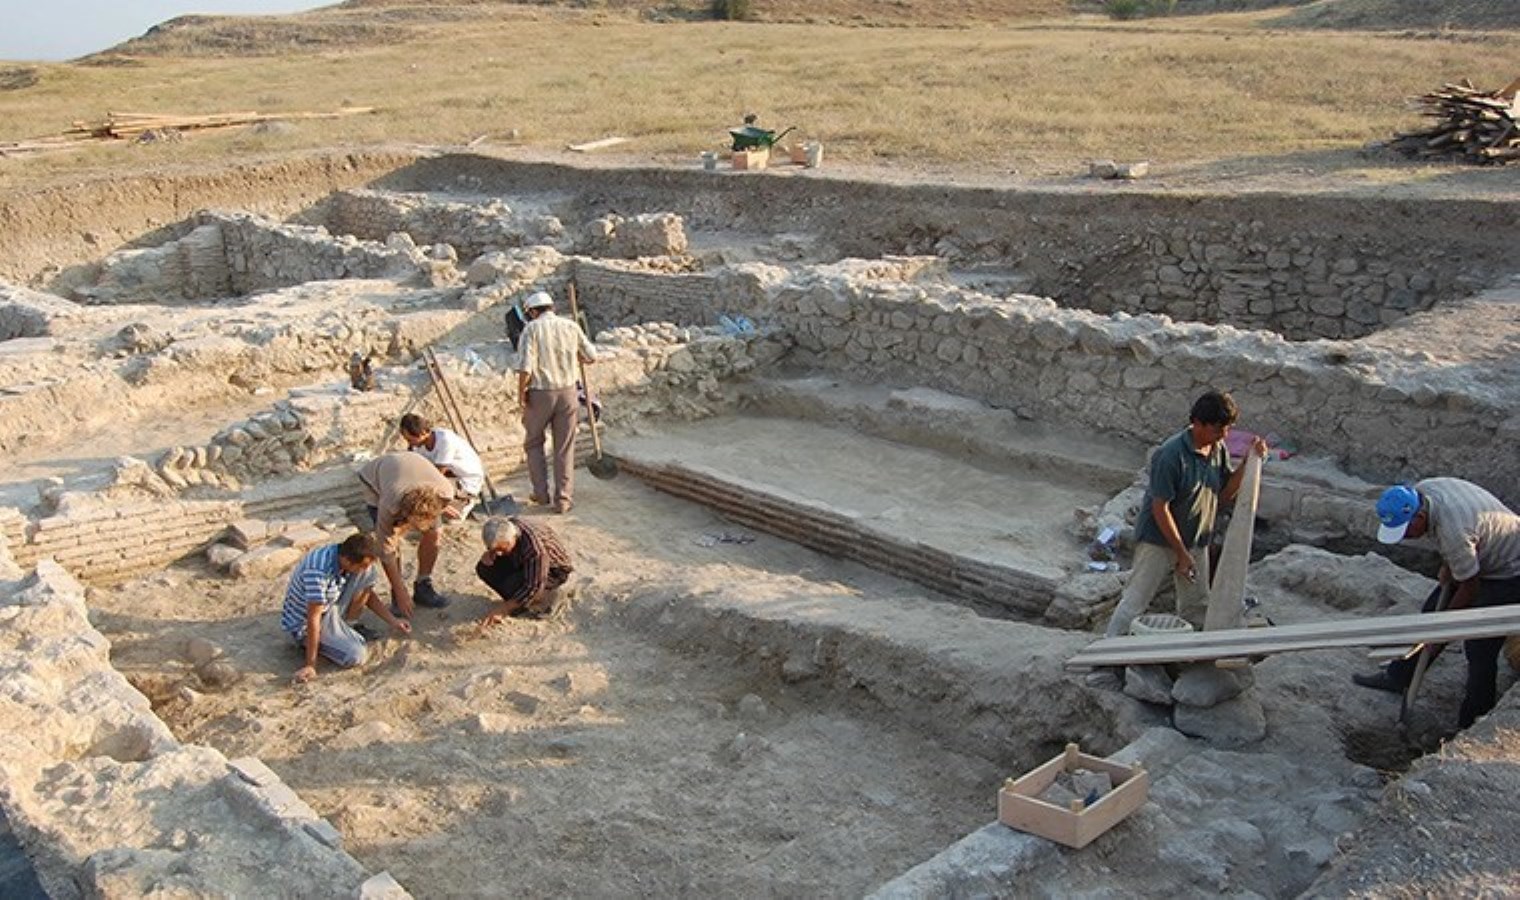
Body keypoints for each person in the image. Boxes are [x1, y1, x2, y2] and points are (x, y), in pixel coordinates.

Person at [1351, 479, 1520, 728]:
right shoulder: (1425, 491)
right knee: (1430, 613)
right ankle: (1400, 677)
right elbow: (1462, 542)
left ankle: (1474, 719)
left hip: (1511, 570)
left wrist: (1441, 630)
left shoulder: (1454, 531)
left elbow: (1470, 588)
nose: (1406, 537)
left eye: (1406, 530)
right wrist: (1449, 565)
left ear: (1419, 516)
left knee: (1480, 645)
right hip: (1483, 549)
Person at [1103, 390, 1270, 639]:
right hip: (1159, 539)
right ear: (1197, 423)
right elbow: (1161, 508)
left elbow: (1222, 495)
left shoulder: (1217, 449)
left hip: (1197, 537)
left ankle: (1191, 654)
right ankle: (1108, 650)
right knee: (1136, 599)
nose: (1223, 435)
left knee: (1196, 604)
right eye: (1217, 429)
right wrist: (1180, 553)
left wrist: (1248, 464)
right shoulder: (1171, 455)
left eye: (1227, 429)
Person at [281, 532, 411, 685]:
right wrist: (311, 664)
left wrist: (393, 621)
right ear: (347, 561)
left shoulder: (343, 557)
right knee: (355, 655)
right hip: (305, 622)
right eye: (361, 565)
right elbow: (313, 618)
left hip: (330, 605)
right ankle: (316, 643)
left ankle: (348, 626)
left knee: (368, 574)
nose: (363, 569)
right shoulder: (318, 572)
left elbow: (367, 594)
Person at [515, 289, 597, 514]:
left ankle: (541, 495)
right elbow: (591, 356)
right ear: (552, 308)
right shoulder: (571, 326)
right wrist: (575, 357)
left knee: (533, 443)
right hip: (568, 392)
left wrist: (521, 394)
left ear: (532, 312)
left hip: (541, 392)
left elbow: (525, 368)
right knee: (564, 447)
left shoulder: (531, 329)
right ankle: (563, 500)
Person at [357, 450, 459, 616]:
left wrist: (440, 511)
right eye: (412, 525)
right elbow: (386, 549)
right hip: (375, 477)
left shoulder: (446, 492)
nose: (414, 531)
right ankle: (397, 595)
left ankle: (423, 585)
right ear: (404, 513)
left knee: (435, 533)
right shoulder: (389, 504)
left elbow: (437, 512)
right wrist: (400, 591)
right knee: (393, 541)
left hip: (416, 472)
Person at [475, 516, 574, 628]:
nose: (499, 554)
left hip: (554, 570)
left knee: (514, 585)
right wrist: (490, 553)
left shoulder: (535, 549)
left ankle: (550, 597)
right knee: (484, 568)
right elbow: (497, 550)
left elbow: (532, 586)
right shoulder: (508, 527)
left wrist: (505, 608)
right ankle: (519, 602)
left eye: (502, 549)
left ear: (513, 538)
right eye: (495, 549)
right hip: (523, 559)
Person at [399, 413, 486, 520]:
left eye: (410, 440)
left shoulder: (445, 440)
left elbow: (437, 476)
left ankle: (464, 503)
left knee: (427, 496)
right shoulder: (418, 446)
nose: (410, 444)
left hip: (466, 481)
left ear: (423, 433)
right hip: (448, 476)